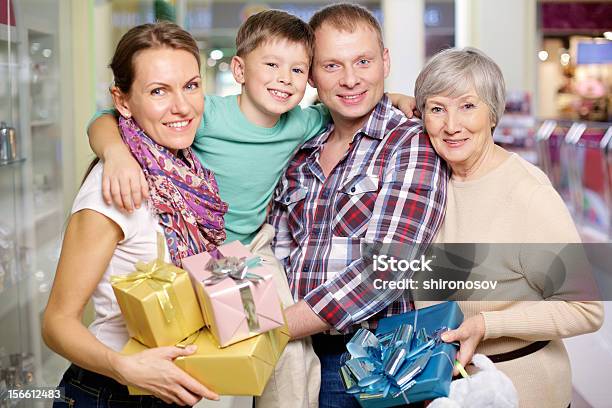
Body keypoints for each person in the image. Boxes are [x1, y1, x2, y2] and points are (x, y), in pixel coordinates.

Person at [86, 10, 418, 408]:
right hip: (196, 248)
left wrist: (394, 98)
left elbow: (353, 107)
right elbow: (108, 117)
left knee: (290, 348)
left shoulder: (305, 123)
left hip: (254, 247)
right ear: (239, 70)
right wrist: (115, 152)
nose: (284, 78)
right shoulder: (201, 113)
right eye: (272, 65)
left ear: (308, 78)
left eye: (297, 69)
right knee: (200, 346)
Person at [268, 4, 447, 407]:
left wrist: (272, 327)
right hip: (292, 354)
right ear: (312, 74)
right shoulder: (299, 149)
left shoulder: (411, 141)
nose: (350, 80)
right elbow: (277, 252)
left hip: (371, 359)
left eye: (362, 61)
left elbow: (388, 267)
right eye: (331, 66)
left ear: (384, 61)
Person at [42, 22, 227, 407]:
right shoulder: (112, 189)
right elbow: (56, 324)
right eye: (158, 91)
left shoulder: (186, 172)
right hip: (108, 391)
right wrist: (124, 367)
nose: (182, 106)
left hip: (162, 386)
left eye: (191, 86)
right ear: (122, 101)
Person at [413, 47, 604, 408]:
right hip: (446, 389)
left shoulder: (527, 193)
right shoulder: (429, 178)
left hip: (518, 388)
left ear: (493, 113)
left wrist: (488, 324)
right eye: (438, 109)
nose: (452, 125)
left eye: (468, 106)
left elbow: (586, 309)